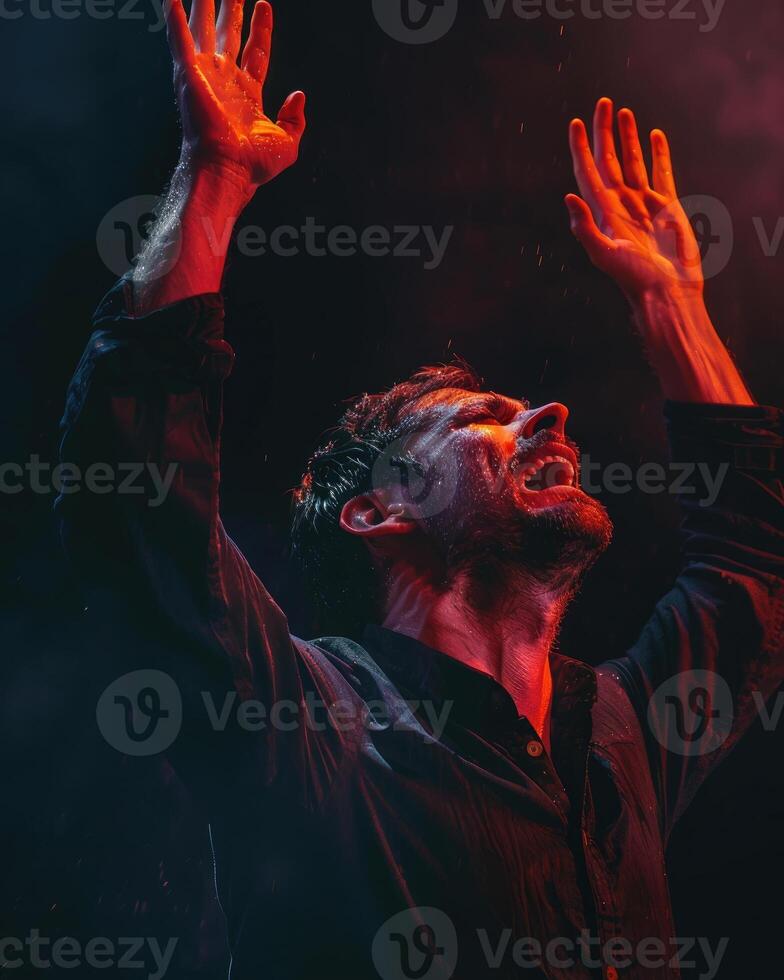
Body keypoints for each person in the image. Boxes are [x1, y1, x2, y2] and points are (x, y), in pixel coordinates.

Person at [58, 1, 784, 977]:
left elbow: (757, 566)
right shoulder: (312, 726)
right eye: (481, 414)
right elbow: (136, 484)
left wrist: (670, 304)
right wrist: (215, 178)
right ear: (378, 509)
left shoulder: (617, 732)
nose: (550, 415)